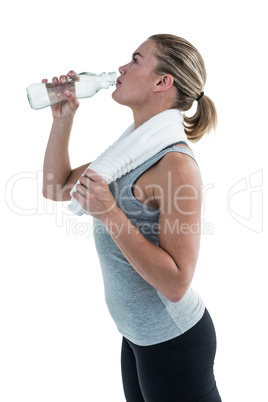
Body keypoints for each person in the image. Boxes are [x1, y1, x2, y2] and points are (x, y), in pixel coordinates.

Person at [42, 34, 222, 401]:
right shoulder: (129, 152)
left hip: (174, 341)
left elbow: (176, 284)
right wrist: (63, 119)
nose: (122, 68)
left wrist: (109, 211)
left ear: (162, 82)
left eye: (135, 60)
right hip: (136, 336)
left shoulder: (175, 165)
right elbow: (56, 187)